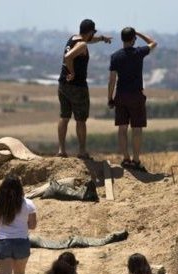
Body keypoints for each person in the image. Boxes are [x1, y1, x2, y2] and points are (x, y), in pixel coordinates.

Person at [57, 19, 112, 159]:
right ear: (89, 32)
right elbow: (68, 57)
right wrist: (72, 72)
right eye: (92, 33)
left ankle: (61, 150)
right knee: (81, 120)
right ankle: (82, 151)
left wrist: (101, 39)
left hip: (63, 85)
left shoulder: (73, 38)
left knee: (64, 117)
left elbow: (86, 41)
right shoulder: (81, 45)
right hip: (77, 87)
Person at [108, 28, 157, 172]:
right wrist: (140, 34)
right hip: (136, 95)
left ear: (122, 39)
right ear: (133, 39)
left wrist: (110, 98)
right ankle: (136, 161)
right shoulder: (139, 52)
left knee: (122, 128)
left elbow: (112, 80)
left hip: (121, 95)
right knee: (137, 129)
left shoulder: (115, 56)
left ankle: (126, 159)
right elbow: (153, 43)